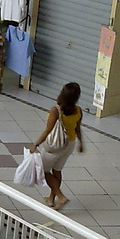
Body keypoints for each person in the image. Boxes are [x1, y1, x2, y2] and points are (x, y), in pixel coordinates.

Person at [29, 82, 84, 210]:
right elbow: (78, 128)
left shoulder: (56, 110)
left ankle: (60, 196)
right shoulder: (78, 110)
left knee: (44, 170)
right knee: (57, 170)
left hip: (55, 145)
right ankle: (51, 199)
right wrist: (81, 143)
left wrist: (35, 144)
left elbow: (48, 130)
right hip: (69, 144)